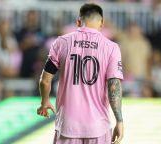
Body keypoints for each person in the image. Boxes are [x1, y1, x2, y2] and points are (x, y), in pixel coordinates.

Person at [37, 3, 124, 144]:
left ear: (78, 21)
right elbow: (114, 86)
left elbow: (45, 81)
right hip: (98, 128)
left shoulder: (61, 43)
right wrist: (119, 120)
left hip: (67, 126)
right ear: (101, 23)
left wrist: (44, 101)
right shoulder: (112, 48)